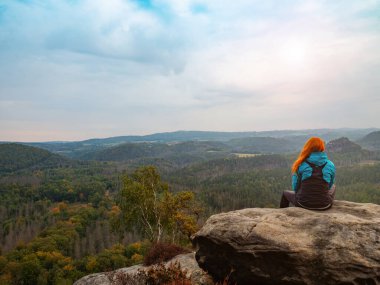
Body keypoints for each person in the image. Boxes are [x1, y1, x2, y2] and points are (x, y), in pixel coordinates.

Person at [280, 137, 336, 210]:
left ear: (308, 147)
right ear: (322, 148)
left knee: (285, 193)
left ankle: (283, 214)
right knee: (333, 186)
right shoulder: (330, 164)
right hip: (325, 205)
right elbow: (329, 185)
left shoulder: (300, 164)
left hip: (303, 203)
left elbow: (295, 187)